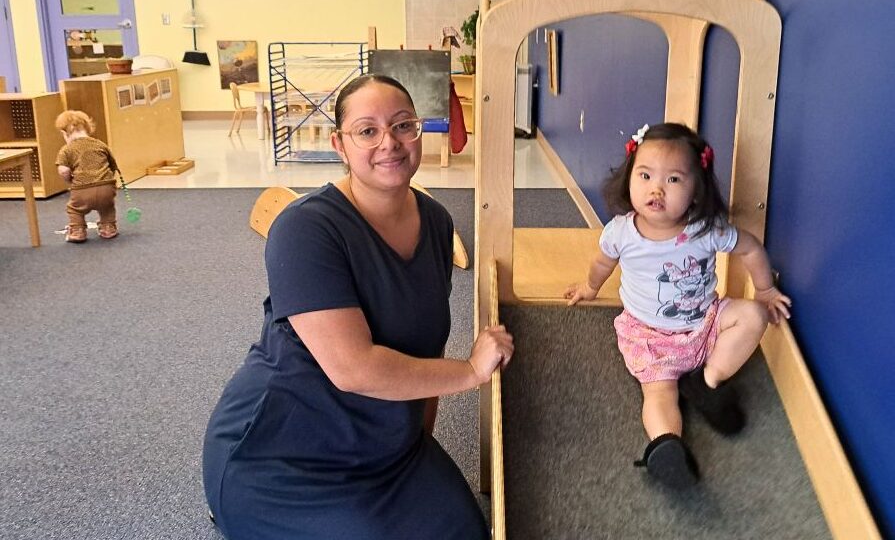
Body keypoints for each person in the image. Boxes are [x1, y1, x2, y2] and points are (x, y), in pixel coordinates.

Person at [202, 74, 514, 539]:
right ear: (339, 145)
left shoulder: (435, 222)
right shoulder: (305, 229)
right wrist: (470, 372)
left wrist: (417, 448)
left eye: (403, 125)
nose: (389, 142)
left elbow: (424, 342)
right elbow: (354, 369)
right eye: (367, 131)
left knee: (466, 530)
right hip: (284, 454)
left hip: (386, 442)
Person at [564, 122, 790, 489]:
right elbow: (602, 264)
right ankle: (666, 446)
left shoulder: (705, 230)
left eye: (673, 180)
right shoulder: (622, 232)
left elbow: (749, 247)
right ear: (629, 178)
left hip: (705, 324)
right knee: (659, 391)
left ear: (696, 189)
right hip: (650, 337)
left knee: (752, 315)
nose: (656, 188)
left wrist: (764, 290)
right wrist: (590, 288)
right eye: (646, 175)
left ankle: (708, 380)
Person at [54, 110, 120, 243]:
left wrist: (70, 181)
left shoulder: (67, 149)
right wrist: (106, 180)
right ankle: (108, 228)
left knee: (75, 209)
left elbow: (63, 170)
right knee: (107, 207)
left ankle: (77, 231)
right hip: (106, 188)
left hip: (81, 189)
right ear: (88, 128)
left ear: (65, 133)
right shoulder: (100, 144)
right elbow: (113, 165)